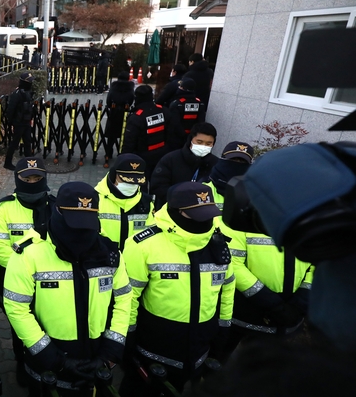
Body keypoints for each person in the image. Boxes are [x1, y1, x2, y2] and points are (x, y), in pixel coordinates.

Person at [4, 182, 132, 396]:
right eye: (74, 222)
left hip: (96, 362)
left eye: (86, 223)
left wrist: (110, 351)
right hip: (47, 369)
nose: (80, 231)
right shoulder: (28, 254)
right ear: (57, 211)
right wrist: (52, 357)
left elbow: (123, 299)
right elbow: (17, 308)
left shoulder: (109, 253)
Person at [119, 182, 234, 396]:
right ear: (177, 211)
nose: (205, 220)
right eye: (197, 214)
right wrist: (128, 338)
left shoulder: (218, 243)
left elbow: (226, 290)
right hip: (153, 348)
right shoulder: (143, 245)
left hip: (200, 346)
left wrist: (223, 330)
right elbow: (129, 297)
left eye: (208, 213)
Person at [203, 142, 313, 357]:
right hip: (246, 309)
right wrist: (269, 301)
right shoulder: (244, 214)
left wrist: (304, 297)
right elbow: (233, 261)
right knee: (224, 366)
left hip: (290, 318)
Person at [0, 157, 54, 385]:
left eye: (37, 178)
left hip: (50, 281)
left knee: (46, 322)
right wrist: (27, 270)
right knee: (19, 325)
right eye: (27, 178)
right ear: (18, 179)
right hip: (14, 280)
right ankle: (20, 363)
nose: (32, 182)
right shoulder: (3, 208)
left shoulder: (55, 206)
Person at [150, 122, 219, 210]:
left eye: (208, 144)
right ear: (191, 139)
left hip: (202, 212)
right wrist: (179, 201)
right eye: (199, 142)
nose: (203, 146)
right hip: (170, 210)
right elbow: (158, 185)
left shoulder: (216, 164)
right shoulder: (171, 159)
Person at [95, 154, 154, 252]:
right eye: (126, 180)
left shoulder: (146, 203)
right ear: (114, 175)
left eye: (136, 182)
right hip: (104, 260)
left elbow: (150, 237)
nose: (131, 185)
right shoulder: (96, 199)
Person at [120, 85, 179, 181]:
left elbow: (129, 142)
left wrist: (123, 159)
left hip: (143, 157)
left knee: (142, 183)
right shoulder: (163, 110)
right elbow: (172, 132)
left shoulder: (137, 117)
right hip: (163, 153)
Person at [4, 72, 36, 170]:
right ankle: (7, 163)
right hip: (19, 122)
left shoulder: (27, 92)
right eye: (29, 81)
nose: (31, 83)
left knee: (27, 142)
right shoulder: (17, 93)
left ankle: (29, 163)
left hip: (26, 121)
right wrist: (12, 122)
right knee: (14, 143)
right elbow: (11, 109)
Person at [103, 72, 136, 168]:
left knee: (111, 136)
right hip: (124, 114)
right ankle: (121, 152)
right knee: (123, 134)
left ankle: (108, 153)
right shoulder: (130, 89)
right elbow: (131, 100)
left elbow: (108, 101)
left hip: (113, 114)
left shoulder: (113, 88)